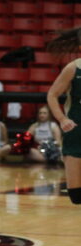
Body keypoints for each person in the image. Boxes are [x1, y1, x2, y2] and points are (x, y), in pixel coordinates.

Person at [47, 28, 81, 204]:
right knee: (76, 196)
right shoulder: (73, 68)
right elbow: (52, 95)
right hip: (76, 130)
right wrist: (62, 119)